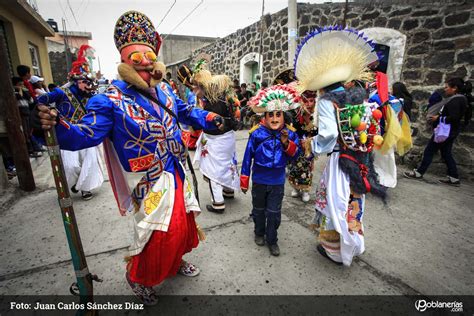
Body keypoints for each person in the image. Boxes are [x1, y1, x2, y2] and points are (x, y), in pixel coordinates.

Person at [34, 11, 223, 305]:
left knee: (185, 223)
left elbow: (186, 114)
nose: (147, 64)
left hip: (177, 169)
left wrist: (211, 118)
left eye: (150, 58)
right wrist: (57, 125)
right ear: (125, 62)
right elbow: (85, 135)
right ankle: (137, 277)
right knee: (159, 233)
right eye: (138, 59)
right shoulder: (109, 99)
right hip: (147, 179)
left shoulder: (165, 91)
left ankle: (174, 264)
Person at [295, 26, 387, 266]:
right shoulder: (356, 95)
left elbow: (328, 134)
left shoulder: (327, 101)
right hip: (359, 158)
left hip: (340, 160)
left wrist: (311, 144)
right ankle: (355, 244)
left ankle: (336, 251)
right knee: (353, 201)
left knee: (336, 201)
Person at [37, 45, 104, 200]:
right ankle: (75, 183)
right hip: (68, 133)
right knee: (70, 165)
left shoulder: (92, 95)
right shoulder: (61, 92)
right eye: (85, 81)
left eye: (90, 81)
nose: (89, 85)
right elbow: (41, 100)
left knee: (90, 162)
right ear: (76, 81)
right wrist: (43, 111)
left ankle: (85, 188)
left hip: (86, 133)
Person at [240, 84, 300, 256]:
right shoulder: (256, 134)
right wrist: (244, 179)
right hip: (259, 180)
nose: (274, 119)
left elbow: (295, 156)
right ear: (264, 117)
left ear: (283, 116)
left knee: (274, 213)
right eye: (271, 115)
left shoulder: (289, 134)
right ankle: (259, 232)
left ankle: (272, 240)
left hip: (277, 181)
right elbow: (247, 157)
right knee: (258, 210)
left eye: (278, 114)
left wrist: (286, 143)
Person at [192, 61, 241, 213]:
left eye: (194, 86)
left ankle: (218, 202)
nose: (193, 89)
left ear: (201, 86)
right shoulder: (224, 99)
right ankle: (228, 191)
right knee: (226, 165)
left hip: (216, 140)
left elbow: (203, 123)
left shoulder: (212, 103)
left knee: (213, 170)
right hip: (227, 140)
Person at [404, 78, 469, 186]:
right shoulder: (460, 99)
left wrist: (437, 119)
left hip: (445, 131)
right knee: (446, 153)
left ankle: (419, 172)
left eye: (447, 87)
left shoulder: (456, 100)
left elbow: (454, 117)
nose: (445, 89)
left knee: (429, 150)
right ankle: (454, 177)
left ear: (454, 88)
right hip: (450, 131)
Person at [288, 90, 318, 202]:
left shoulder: (317, 115)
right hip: (298, 145)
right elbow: (293, 130)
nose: (309, 104)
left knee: (307, 169)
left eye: (311, 101)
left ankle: (305, 191)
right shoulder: (297, 114)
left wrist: (311, 123)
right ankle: (296, 188)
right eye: (306, 101)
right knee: (294, 167)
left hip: (310, 146)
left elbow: (318, 131)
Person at [12, 77, 42, 158]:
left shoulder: (24, 92)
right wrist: (20, 90)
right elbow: (18, 97)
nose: (21, 86)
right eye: (19, 85)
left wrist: (25, 92)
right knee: (25, 133)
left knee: (30, 132)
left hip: (27, 114)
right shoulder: (14, 93)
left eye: (22, 85)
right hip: (21, 115)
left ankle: (36, 148)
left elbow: (31, 100)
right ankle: (31, 150)